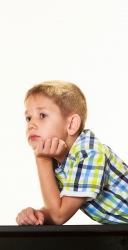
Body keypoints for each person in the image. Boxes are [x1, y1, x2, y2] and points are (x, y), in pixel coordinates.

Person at [16, 80, 128, 225]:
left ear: (71, 124)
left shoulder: (89, 154)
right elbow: (57, 207)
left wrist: (42, 160)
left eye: (42, 115)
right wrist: (39, 215)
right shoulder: (59, 162)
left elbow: (60, 215)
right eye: (28, 118)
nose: (31, 125)